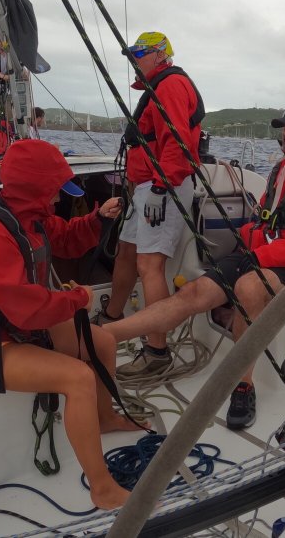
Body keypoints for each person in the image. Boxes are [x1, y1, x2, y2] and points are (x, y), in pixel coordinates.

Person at [104, 103, 285, 429]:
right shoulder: (283, 168)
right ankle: (102, 336)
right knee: (194, 293)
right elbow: (263, 217)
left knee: (248, 287)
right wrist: (249, 244)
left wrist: (261, 257)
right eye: (284, 127)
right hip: (262, 253)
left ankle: (244, 386)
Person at [0, 139, 139, 510]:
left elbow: (64, 239)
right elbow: (25, 310)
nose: (57, 198)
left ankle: (105, 418)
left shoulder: (29, 214)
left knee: (104, 344)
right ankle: (103, 490)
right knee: (78, 378)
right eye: (54, 189)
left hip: (15, 324)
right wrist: (77, 299)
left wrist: (98, 219)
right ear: (36, 188)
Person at [95, 32, 205, 377]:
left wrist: (160, 186)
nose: (134, 59)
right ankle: (111, 319)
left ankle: (157, 351)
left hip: (162, 187)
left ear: (160, 54)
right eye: (131, 53)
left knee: (150, 266)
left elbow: (177, 139)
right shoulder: (158, 86)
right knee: (126, 253)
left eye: (139, 53)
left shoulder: (170, 85)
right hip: (146, 186)